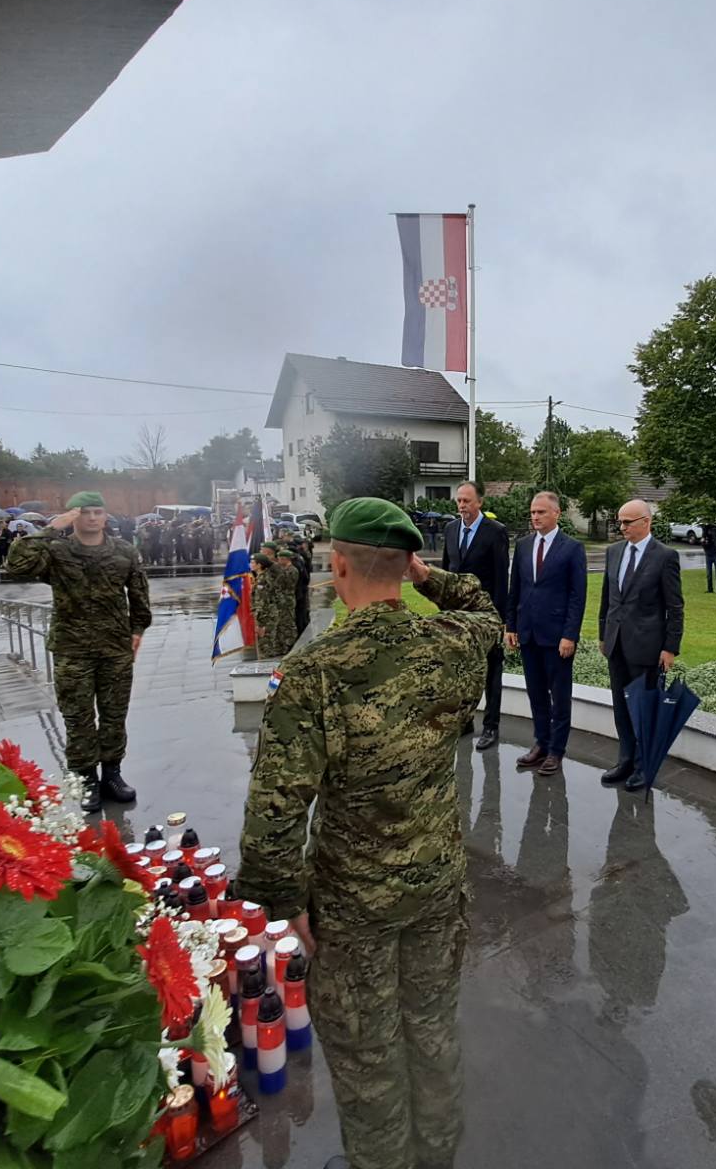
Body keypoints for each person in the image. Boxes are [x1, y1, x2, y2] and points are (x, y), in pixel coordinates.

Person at [235, 498, 502, 1169]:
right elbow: (484, 608)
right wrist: (427, 577)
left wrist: (287, 902)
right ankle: (437, 1153)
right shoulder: (453, 644)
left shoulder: (315, 671)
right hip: (437, 888)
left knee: (367, 1055)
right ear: (405, 563)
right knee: (433, 1030)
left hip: (354, 908)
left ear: (339, 564)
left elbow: (274, 813)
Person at [3, 490, 150, 812]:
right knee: (78, 717)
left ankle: (112, 774)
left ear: (106, 515)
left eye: (98, 512)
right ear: (73, 517)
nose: (93, 518)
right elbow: (16, 566)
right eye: (85, 512)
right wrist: (51, 528)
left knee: (114, 716)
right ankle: (86, 780)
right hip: (72, 648)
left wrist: (138, 630)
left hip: (114, 647)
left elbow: (139, 594)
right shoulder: (56, 551)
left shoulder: (124, 552)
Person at [598, 499, 684, 790]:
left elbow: (675, 606)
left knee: (643, 709)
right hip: (616, 643)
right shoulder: (613, 552)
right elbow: (608, 599)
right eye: (619, 521)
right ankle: (625, 760)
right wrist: (602, 635)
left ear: (646, 521)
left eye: (627, 522)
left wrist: (670, 647)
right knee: (621, 707)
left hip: (646, 647)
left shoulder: (665, 556)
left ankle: (643, 767)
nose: (621, 527)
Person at [505, 491, 587, 776]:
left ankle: (556, 750)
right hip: (528, 633)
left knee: (559, 696)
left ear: (557, 513)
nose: (535, 517)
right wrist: (511, 625)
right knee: (536, 693)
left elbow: (578, 596)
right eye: (532, 512)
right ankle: (541, 743)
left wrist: (570, 635)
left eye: (541, 512)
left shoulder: (572, 548)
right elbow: (515, 588)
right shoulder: (524, 545)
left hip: (557, 637)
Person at [442, 481, 510, 751]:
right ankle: (465, 720)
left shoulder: (496, 533)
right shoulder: (450, 530)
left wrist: (500, 619)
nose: (462, 506)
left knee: (492, 671)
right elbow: (448, 574)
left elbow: (500, 577)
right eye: (459, 501)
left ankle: (491, 727)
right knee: (460, 669)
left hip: (486, 616)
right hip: (457, 617)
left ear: (480, 502)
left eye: (467, 501)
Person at [252, 543, 295, 657]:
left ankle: (286, 647)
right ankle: (280, 648)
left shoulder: (271, 572)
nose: (250, 564)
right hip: (273, 608)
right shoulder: (264, 574)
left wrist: (260, 621)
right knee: (275, 634)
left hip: (276, 607)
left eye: (253, 562)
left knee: (283, 628)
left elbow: (262, 601)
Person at [701, 520, 716, 594]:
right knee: (709, 574)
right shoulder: (705, 534)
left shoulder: (715, 532)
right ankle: (710, 589)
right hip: (709, 555)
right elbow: (703, 542)